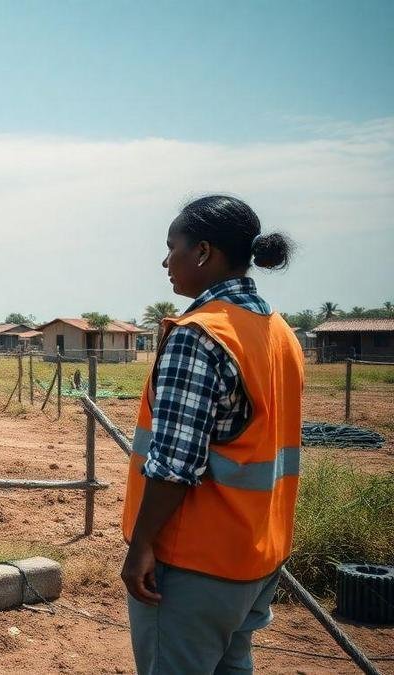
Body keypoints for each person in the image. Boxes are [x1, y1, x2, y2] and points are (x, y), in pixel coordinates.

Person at [121, 195, 303, 674]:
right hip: (257, 556)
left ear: (203, 252)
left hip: (192, 564)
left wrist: (141, 546)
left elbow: (175, 463)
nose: (165, 261)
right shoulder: (279, 332)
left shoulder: (199, 334)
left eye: (171, 247)